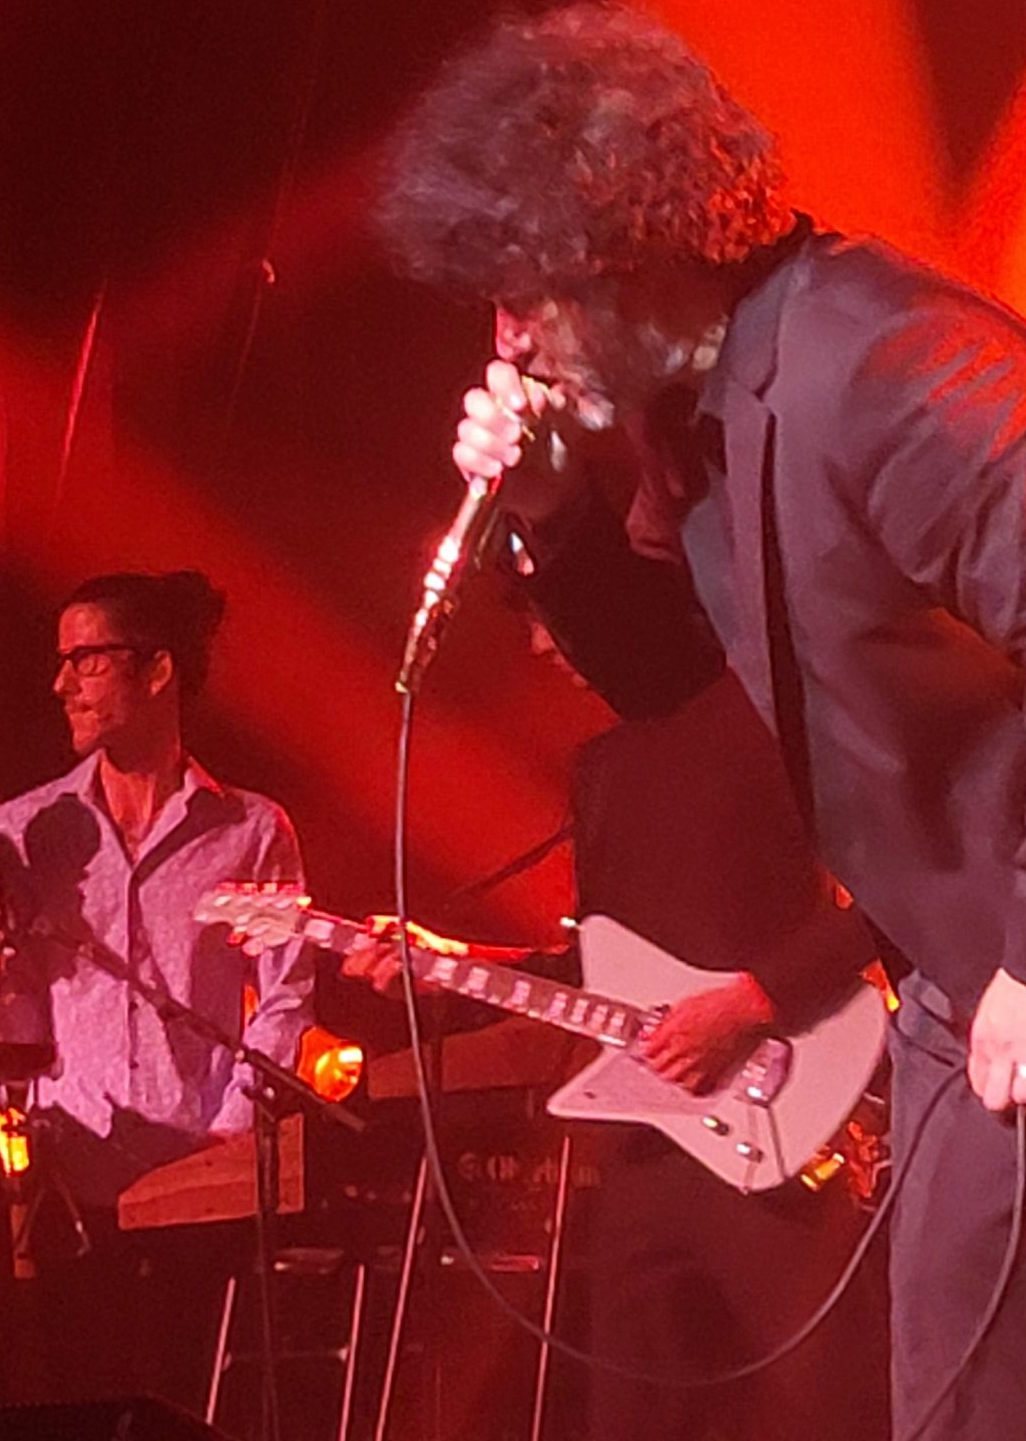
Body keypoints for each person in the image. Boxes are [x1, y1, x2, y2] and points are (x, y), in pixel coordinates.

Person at [373, 1, 1026, 1441]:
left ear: (629, 252)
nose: (507, 339)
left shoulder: (893, 367)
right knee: (956, 1342)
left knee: (985, 1323)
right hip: (976, 934)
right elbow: (680, 687)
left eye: (525, 295)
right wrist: (549, 513)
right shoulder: (706, 397)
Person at [352, 615, 889, 1441]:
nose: (540, 646)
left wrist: (751, 1004)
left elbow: (897, 900)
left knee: (836, 1413)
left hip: (783, 1136)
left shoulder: (781, 717)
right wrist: (450, 965)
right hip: (648, 1155)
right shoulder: (601, 766)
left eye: (549, 615)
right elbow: (598, 966)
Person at [0, 568, 314, 1408]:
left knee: (193, 1410)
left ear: (156, 670)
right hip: (71, 1189)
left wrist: (230, 1135)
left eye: (85, 660)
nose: (62, 685)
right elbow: (9, 1018)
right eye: (61, 663)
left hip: (202, 1185)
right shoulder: (25, 831)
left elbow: (284, 998)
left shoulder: (249, 829)